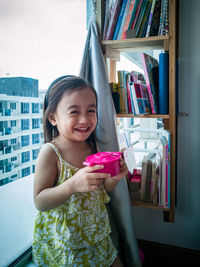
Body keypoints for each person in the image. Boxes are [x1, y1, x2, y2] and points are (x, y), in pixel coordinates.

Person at [32, 75, 128, 266]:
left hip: (97, 235)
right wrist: (72, 185)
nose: (85, 119)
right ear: (53, 118)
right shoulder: (51, 153)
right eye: (74, 112)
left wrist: (115, 177)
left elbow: (102, 189)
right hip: (66, 244)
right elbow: (40, 201)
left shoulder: (93, 149)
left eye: (91, 110)